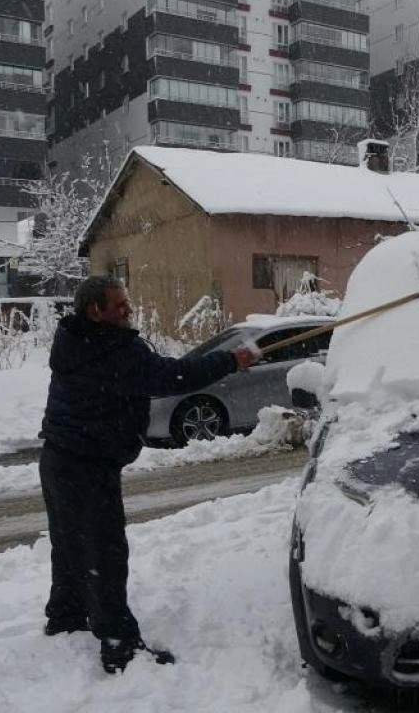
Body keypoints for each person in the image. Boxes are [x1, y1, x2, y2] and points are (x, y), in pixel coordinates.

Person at [38, 276, 256, 673]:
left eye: (126, 301)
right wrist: (230, 361)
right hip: (87, 464)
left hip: (58, 459)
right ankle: (119, 645)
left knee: (69, 541)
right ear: (95, 311)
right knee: (105, 553)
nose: (128, 309)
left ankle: (66, 615)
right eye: (119, 304)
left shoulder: (74, 339)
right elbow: (173, 377)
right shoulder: (113, 351)